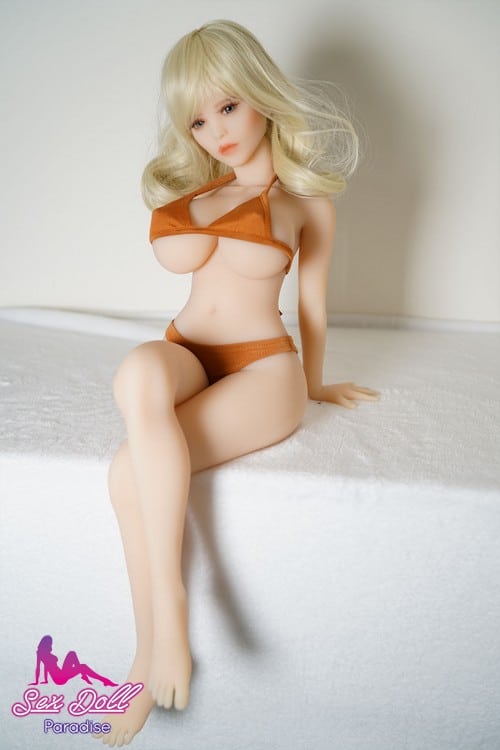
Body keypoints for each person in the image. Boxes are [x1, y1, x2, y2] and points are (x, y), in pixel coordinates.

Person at [95, 19, 378, 747]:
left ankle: (152, 644)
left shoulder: (308, 204)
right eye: (197, 119)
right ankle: (163, 622)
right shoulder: (201, 191)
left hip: (262, 368)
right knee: (137, 369)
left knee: (128, 472)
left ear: (261, 94)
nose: (215, 130)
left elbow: (312, 309)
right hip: (187, 351)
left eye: (227, 106)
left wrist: (316, 385)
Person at [30, 635, 117, 687]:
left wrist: (46, 680)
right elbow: (39, 668)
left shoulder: (46, 653)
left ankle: (84, 675)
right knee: (83, 667)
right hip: (59, 678)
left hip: (61, 673)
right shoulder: (40, 653)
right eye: (50, 643)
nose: (51, 645)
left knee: (72, 653)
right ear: (46, 643)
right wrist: (37, 681)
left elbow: (46, 668)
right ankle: (104, 680)